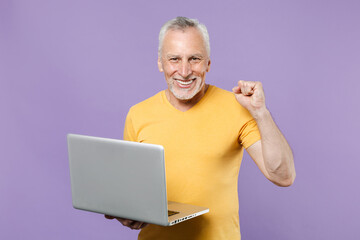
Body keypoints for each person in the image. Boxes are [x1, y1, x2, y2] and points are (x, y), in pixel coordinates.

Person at [105, 16, 296, 240]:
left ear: (208, 64)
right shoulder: (138, 114)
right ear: (160, 63)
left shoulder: (237, 108)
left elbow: (283, 176)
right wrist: (124, 212)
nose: (184, 71)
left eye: (194, 59)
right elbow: (132, 191)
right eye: (174, 59)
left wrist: (261, 113)